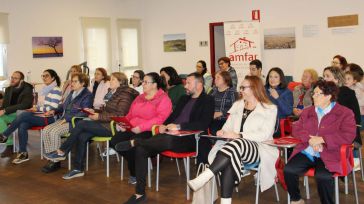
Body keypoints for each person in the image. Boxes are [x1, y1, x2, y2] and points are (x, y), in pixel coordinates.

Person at [116, 72, 214, 203]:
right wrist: (164, 125)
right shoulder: (184, 99)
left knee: (165, 140)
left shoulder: (208, 100)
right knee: (141, 150)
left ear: (199, 85)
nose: (186, 85)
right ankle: (140, 193)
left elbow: (203, 123)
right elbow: (172, 118)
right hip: (170, 134)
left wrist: (179, 127)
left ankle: (137, 141)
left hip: (190, 139)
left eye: (189, 82)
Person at [188, 75, 278, 204]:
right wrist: (222, 131)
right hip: (233, 149)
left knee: (237, 144)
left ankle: (206, 175)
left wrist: (239, 135)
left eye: (243, 87)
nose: (240, 90)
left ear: (254, 88)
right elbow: (228, 126)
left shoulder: (269, 108)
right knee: (230, 158)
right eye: (240, 87)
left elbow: (265, 134)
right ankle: (225, 201)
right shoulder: (238, 105)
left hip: (259, 148)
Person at [43, 72, 139, 177]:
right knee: (82, 135)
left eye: (112, 79)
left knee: (82, 124)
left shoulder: (126, 94)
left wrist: (98, 116)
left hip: (113, 127)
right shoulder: (113, 92)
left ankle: (62, 151)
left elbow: (120, 114)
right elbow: (105, 110)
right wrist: (94, 110)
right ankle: (78, 169)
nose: (109, 81)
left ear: (120, 82)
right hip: (104, 123)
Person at [284, 80, 356, 204]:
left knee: (323, 176)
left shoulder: (344, 113)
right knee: (289, 170)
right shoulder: (308, 111)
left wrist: (323, 140)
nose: (313, 96)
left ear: (328, 96)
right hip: (308, 151)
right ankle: (296, 199)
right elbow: (296, 128)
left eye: (317, 94)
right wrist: (311, 140)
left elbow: (348, 135)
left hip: (330, 153)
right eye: (314, 93)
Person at [110, 72, 172, 185]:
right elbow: (130, 114)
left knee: (133, 144)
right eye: (143, 82)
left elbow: (160, 119)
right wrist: (124, 124)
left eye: (145, 82)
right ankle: (137, 166)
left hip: (149, 131)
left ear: (154, 85)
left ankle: (135, 173)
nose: (142, 84)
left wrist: (141, 127)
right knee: (114, 141)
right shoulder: (140, 97)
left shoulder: (164, 99)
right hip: (132, 128)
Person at [0, 69, 62, 162]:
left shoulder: (56, 90)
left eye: (47, 76)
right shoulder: (44, 90)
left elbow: (52, 108)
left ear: (53, 78)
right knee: (23, 124)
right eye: (43, 76)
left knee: (24, 115)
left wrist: (37, 109)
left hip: (50, 118)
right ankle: (23, 153)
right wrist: (35, 107)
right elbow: (41, 106)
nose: (44, 78)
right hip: (40, 116)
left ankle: (4, 135)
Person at [197, 71, 238, 164]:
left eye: (218, 78)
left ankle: (217, 157)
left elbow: (235, 109)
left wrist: (221, 113)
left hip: (224, 121)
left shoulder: (232, 92)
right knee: (200, 132)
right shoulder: (213, 91)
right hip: (211, 119)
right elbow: (206, 104)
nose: (215, 80)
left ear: (225, 80)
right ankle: (204, 161)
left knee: (214, 130)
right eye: (215, 78)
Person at [323, 66, 362, 147]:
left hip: (345, 131)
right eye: (324, 76)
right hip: (326, 131)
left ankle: (354, 159)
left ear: (337, 80)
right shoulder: (321, 93)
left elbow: (357, 117)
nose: (324, 79)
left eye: (327, 76)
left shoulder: (347, 93)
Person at [0, 71, 33, 151]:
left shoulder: (27, 90)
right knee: (0, 118)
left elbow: (24, 105)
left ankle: (8, 142)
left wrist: (5, 110)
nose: (13, 80)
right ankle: (9, 142)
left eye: (15, 78)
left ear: (21, 80)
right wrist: (2, 110)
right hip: (10, 113)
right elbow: (4, 105)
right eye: (12, 77)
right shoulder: (8, 89)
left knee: (2, 117)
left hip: (22, 114)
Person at [265, 67, 293, 136]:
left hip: (277, 125)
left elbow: (288, 111)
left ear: (281, 79)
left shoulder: (287, 92)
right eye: (270, 77)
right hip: (263, 121)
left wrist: (278, 98)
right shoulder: (264, 90)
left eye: (276, 77)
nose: (272, 79)